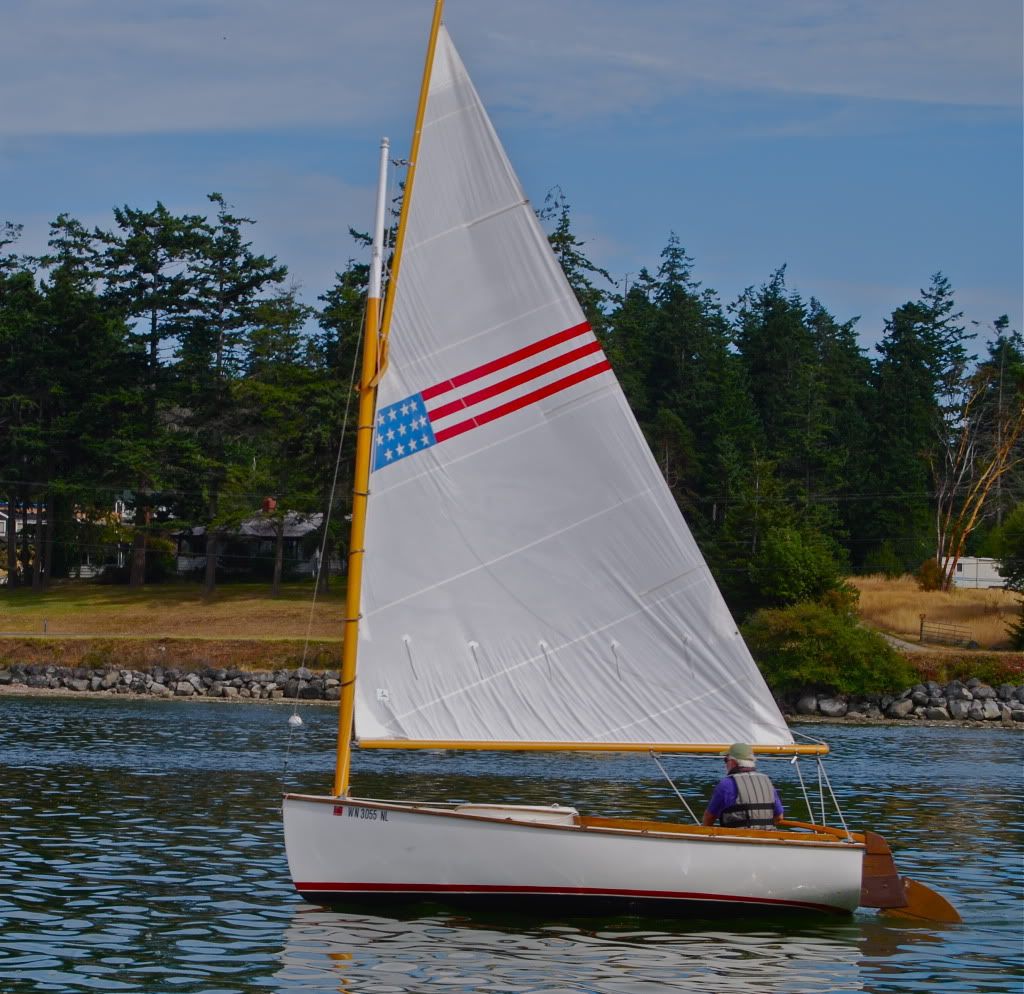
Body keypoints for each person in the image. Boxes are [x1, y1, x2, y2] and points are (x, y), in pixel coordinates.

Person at [702, 742, 783, 829]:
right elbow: (779, 817)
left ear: (733, 762)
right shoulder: (767, 782)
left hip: (736, 837)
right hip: (766, 837)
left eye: (726, 760)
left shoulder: (726, 784)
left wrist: (705, 831)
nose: (725, 764)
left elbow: (709, 817)